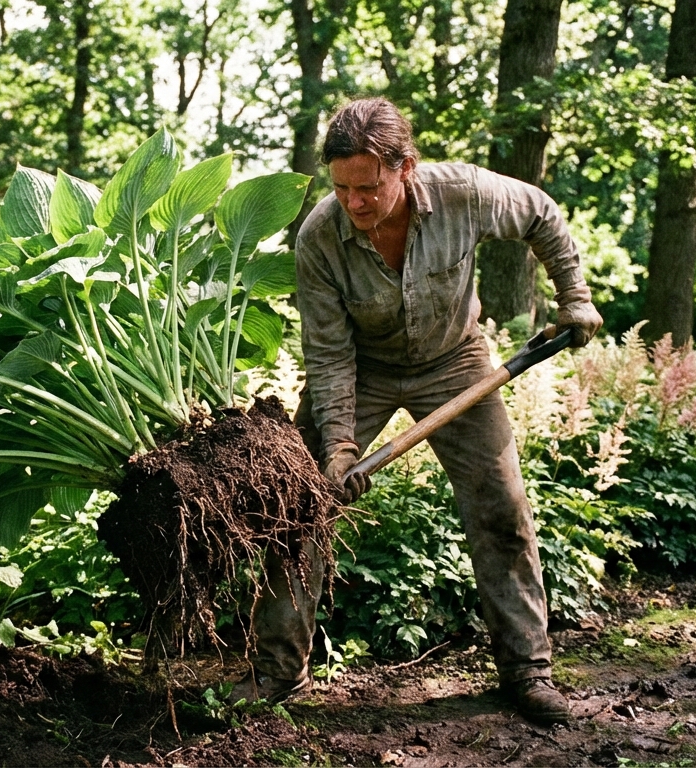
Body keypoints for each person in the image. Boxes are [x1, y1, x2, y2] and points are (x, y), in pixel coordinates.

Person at [229, 97, 603, 725]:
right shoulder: (319, 238)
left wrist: (575, 295)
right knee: (302, 505)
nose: (354, 202)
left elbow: (541, 212)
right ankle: (278, 669)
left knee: (501, 507)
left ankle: (527, 670)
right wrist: (339, 446)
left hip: (456, 358)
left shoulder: (464, 193)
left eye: (368, 187)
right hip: (362, 369)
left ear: (405, 167)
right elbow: (328, 354)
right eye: (341, 188)